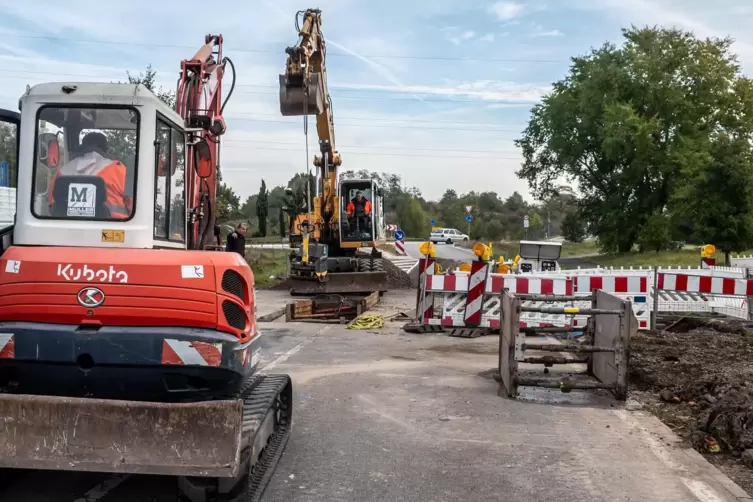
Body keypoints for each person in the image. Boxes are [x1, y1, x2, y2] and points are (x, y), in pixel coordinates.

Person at [48, 132, 131, 219]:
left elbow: (51, 206)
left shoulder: (62, 172)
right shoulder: (117, 169)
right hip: (112, 227)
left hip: (67, 227)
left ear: (83, 147)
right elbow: (134, 203)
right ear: (105, 149)